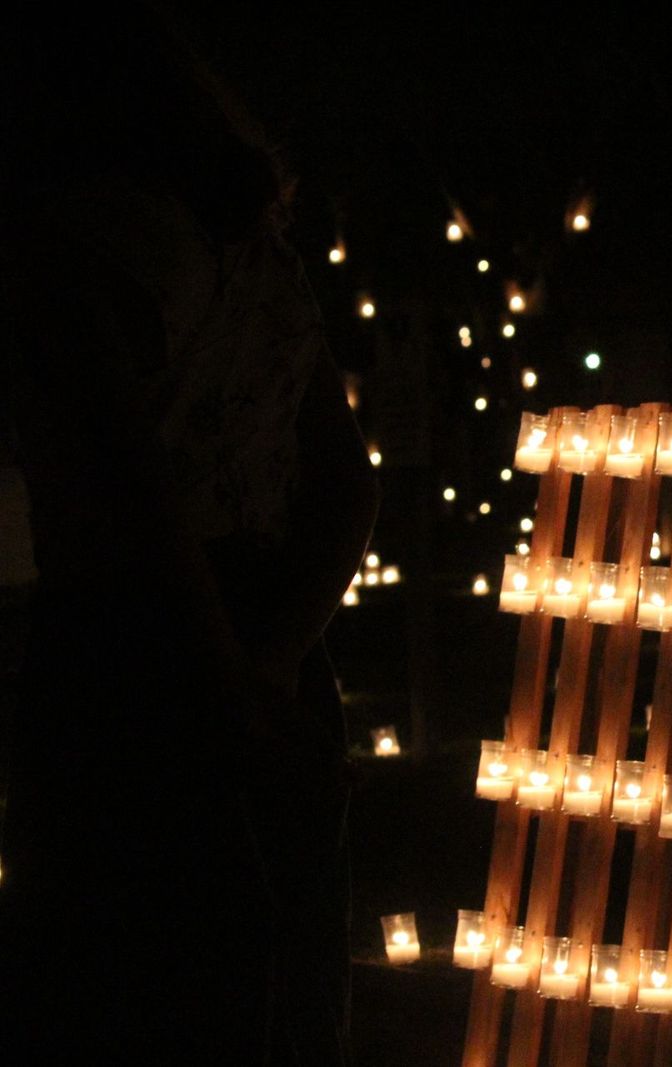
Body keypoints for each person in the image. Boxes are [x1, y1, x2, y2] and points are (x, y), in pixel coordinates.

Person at [0, 9, 378, 1062]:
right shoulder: (262, 262)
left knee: (123, 984)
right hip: (269, 629)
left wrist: (223, 685)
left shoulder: (69, 251)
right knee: (276, 978)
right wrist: (277, 662)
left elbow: (138, 496)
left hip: (123, 660)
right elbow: (348, 486)